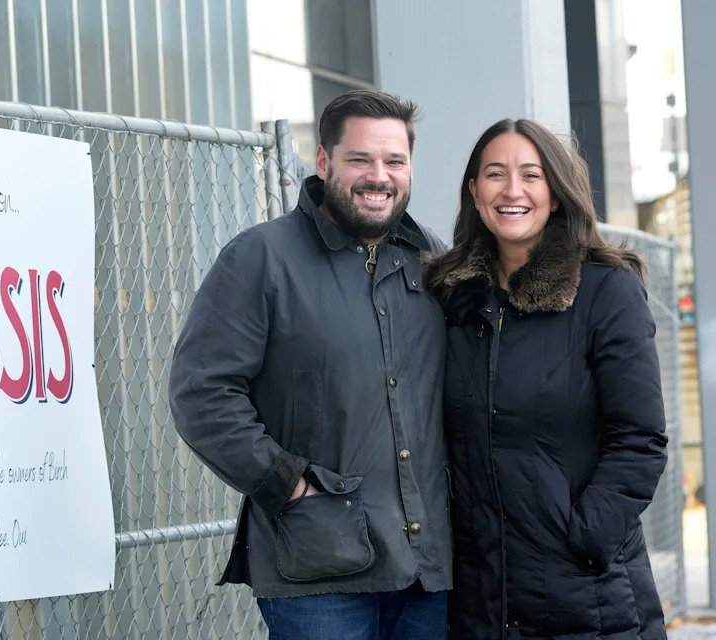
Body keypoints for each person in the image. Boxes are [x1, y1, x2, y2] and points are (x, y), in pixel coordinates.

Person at [169, 90, 452, 639]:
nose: (380, 176)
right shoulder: (261, 259)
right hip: (317, 571)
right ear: (323, 162)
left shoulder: (430, 262)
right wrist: (287, 484)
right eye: (360, 160)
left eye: (394, 161)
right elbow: (201, 392)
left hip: (428, 569)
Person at [425, 118, 668, 638]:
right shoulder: (455, 301)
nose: (513, 190)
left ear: (555, 194)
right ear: (474, 190)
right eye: (495, 174)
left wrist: (583, 540)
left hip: (585, 593)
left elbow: (640, 441)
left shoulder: (606, 292)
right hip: (481, 599)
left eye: (531, 175)